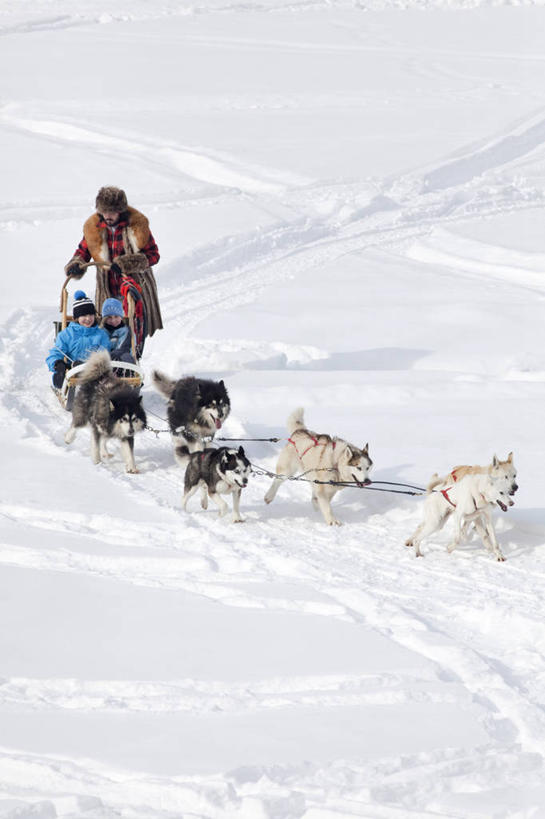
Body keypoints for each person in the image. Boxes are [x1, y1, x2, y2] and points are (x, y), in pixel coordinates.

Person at [64, 186, 163, 356]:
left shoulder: (137, 226)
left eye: (112, 212)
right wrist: (76, 263)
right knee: (107, 333)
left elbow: (153, 255)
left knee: (134, 332)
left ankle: (131, 364)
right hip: (107, 289)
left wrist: (127, 263)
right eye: (104, 211)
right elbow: (82, 251)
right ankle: (108, 371)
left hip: (135, 288)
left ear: (120, 211)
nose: (108, 216)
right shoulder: (93, 228)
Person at [46, 291, 111, 388]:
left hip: (95, 371)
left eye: (91, 315)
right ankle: (66, 380)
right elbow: (56, 352)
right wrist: (57, 364)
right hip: (73, 370)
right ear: (77, 318)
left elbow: (105, 351)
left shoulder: (101, 334)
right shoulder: (67, 334)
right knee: (71, 368)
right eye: (84, 315)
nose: (88, 318)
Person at [100, 298, 134, 363]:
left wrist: (110, 356)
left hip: (120, 360)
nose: (113, 320)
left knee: (126, 356)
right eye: (109, 317)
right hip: (104, 362)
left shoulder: (125, 331)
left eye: (116, 316)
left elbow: (123, 347)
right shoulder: (101, 331)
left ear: (121, 317)